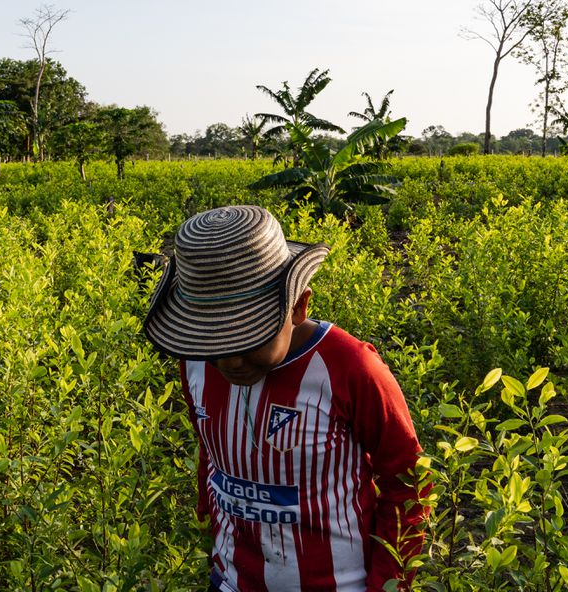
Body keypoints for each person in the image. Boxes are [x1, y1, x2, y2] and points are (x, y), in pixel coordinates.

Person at [143, 205, 427, 592]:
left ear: (298, 306)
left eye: (248, 338)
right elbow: (210, 450)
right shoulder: (194, 361)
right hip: (229, 581)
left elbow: (407, 480)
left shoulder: (350, 368)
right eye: (212, 339)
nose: (230, 360)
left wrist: (389, 585)